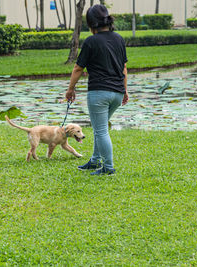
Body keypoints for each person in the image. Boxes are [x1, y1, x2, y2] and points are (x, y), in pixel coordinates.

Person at [65, 4, 129, 175]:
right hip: (117, 93)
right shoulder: (119, 39)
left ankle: (108, 168)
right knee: (100, 128)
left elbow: (78, 68)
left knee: (100, 131)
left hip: (99, 93)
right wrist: (125, 90)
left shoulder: (91, 41)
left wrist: (70, 89)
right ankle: (95, 161)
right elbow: (123, 69)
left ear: (91, 24)